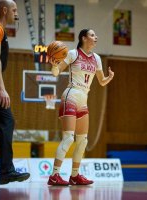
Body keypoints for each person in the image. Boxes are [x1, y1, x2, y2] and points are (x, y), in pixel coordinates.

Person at [47, 28, 114, 186]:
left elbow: (101, 81)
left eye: (95, 34)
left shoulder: (97, 58)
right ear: (84, 38)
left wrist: (109, 78)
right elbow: (56, 73)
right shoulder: (73, 54)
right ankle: (54, 175)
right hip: (71, 95)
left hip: (83, 99)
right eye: (92, 35)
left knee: (83, 141)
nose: (95, 37)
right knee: (69, 137)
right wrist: (54, 66)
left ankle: (75, 176)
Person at [0, 0, 30, 184]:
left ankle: (6, 170)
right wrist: (1, 88)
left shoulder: (1, 29)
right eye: (14, 9)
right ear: (4, 10)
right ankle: (6, 170)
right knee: (6, 120)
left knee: (3, 122)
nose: (17, 13)